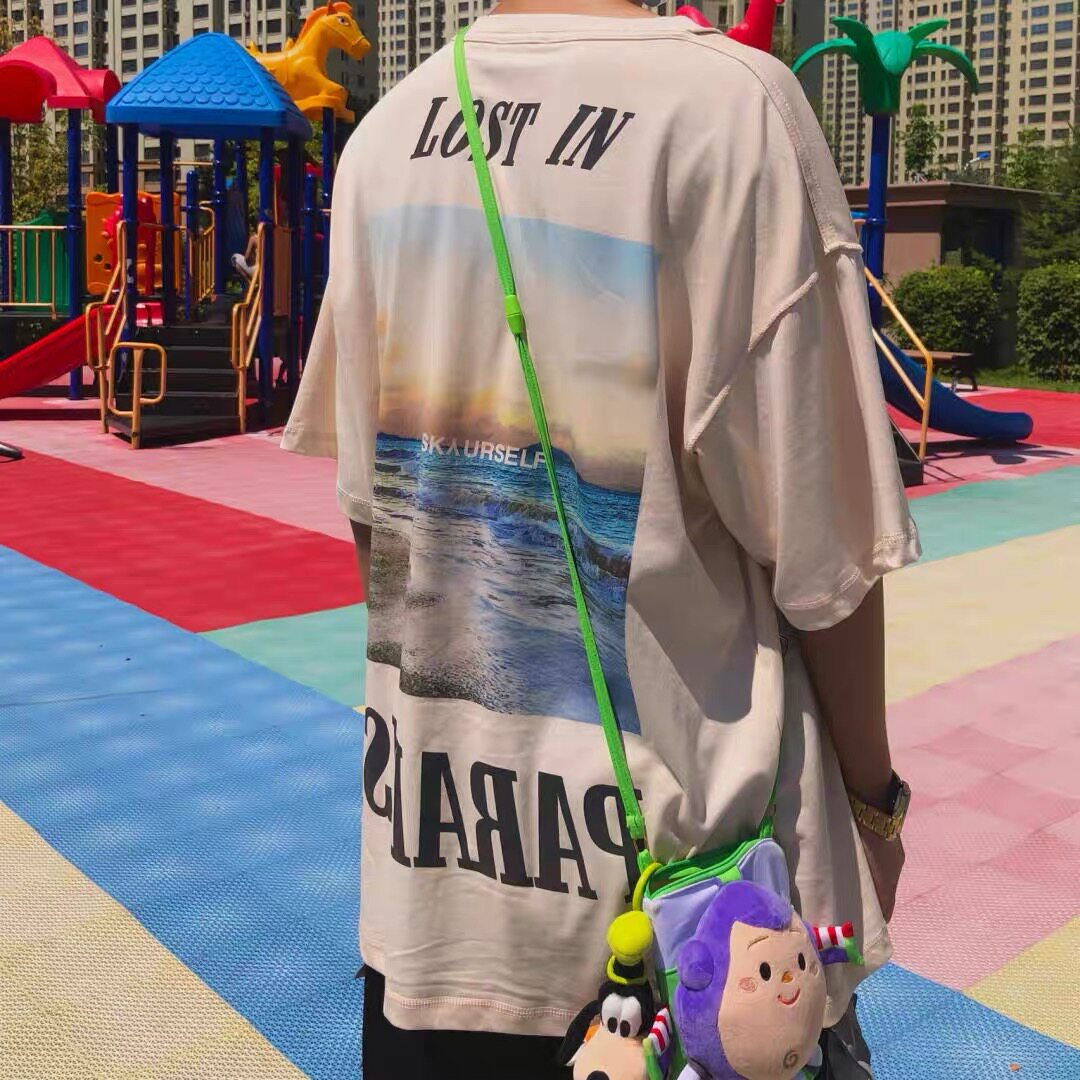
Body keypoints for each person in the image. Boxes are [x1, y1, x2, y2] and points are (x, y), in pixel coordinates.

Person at [282, 2, 919, 1078]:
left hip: (435, 889)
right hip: (693, 929)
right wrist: (875, 807)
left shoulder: (384, 137)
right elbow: (828, 563)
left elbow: (376, 523)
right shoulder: (733, 113)